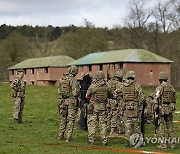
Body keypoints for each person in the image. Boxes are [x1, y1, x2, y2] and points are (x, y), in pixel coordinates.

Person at [116, 71, 145, 147]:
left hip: (126, 108)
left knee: (127, 126)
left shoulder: (122, 86)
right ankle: (137, 141)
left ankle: (128, 141)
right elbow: (142, 98)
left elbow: (116, 94)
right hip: (135, 108)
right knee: (136, 126)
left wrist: (122, 100)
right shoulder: (137, 86)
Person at [86, 71, 110, 146]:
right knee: (103, 124)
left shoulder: (93, 86)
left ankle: (91, 140)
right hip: (103, 107)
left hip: (93, 107)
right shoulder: (107, 86)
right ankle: (104, 140)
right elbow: (111, 95)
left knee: (92, 124)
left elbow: (87, 95)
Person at [153, 72, 176, 149]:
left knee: (161, 127)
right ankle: (172, 144)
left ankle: (162, 145)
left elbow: (156, 98)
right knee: (170, 127)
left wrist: (155, 108)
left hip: (162, 109)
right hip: (170, 109)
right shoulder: (171, 88)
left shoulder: (159, 88)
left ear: (160, 79)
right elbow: (174, 98)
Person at [58, 65, 80, 143]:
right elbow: (75, 93)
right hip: (71, 102)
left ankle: (61, 135)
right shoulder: (73, 80)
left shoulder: (62, 79)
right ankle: (68, 137)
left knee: (63, 118)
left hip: (63, 101)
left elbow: (59, 91)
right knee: (71, 119)